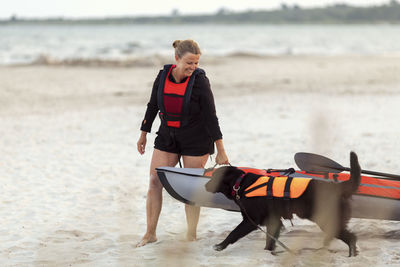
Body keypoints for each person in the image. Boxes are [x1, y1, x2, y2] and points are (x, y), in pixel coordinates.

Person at [136, 39, 229, 247]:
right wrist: (143, 133)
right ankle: (150, 233)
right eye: (189, 63)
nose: (193, 67)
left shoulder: (200, 82)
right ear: (177, 58)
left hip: (196, 138)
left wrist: (221, 149)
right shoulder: (162, 76)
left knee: (191, 188)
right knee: (154, 182)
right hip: (167, 135)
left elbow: (211, 117)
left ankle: (191, 234)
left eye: (196, 63)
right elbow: (152, 106)